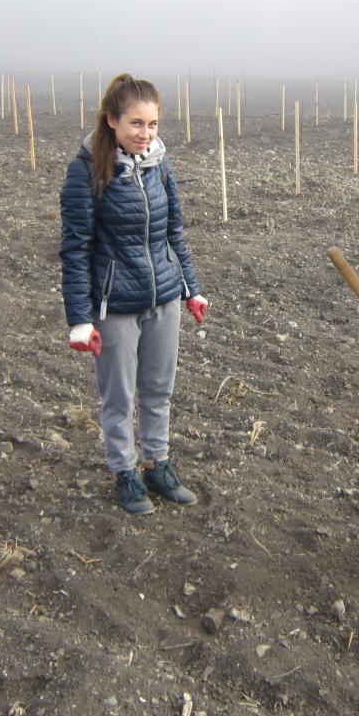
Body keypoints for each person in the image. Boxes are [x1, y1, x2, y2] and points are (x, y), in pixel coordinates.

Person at [60, 74, 209, 515]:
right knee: (119, 395)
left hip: (162, 297)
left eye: (153, 124)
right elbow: (75, 247)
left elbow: (173, 233)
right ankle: (125, 471)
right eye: (136, 124)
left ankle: (157, 465)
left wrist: (191, 289)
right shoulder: (87, 170)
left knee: (159, 389)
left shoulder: (160, 165)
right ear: (111, 121)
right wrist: (80, 319)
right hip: (115, 304)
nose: (146, 134)